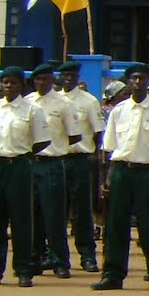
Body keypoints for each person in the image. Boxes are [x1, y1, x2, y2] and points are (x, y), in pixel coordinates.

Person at [92, 64, 149, 292]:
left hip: (147, 171)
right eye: (134, 78)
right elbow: (109, 149)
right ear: (128, 82)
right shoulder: (118, 111)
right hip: (121, 171)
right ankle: (113, 275)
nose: (138, 82)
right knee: (116, 225)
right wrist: (106, 180)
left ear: (148, 81)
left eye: (142, 78)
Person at [0, 66, 51, 287]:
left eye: (13, 83)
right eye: (5, 82)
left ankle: (24, 269)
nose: (8, 86)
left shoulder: (32, 110)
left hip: (19, 166)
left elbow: (43, 140)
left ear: (21, 85)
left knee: (21, 219)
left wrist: (23, 154)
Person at [26, 62, 81, 278]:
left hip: (52, 163)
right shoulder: (27, 102)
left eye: (46, 79)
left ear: (52, 81)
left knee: (54, 215)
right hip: (30, 164)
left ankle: (60, 261)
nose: (41, 83)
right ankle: (36, 258)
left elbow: (75, 135)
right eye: (38, 79)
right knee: (32, 215)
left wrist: (55, 146)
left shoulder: (64, 104)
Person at [56, 61, 104, 273]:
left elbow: (98, 132)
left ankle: (87, 256)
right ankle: (57, 257)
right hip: (57, 161)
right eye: (64, 75)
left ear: (77, 77)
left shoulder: (88, 101)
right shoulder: (52, 101)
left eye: (72, 75)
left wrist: (94, 156)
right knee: (56, 211)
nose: (68, 79)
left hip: (81, 160)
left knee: (83, 211)